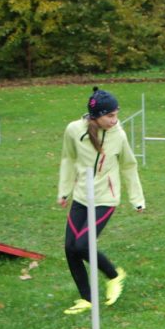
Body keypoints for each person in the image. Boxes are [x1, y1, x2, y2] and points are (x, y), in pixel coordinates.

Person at [57, 87, 145, 315]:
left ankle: (115, 276)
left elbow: (128, 165)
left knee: (84, 245)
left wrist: (137, 198)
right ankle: (87, 299)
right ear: (96, 115)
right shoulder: (74, 130)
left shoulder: (119, 135)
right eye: (110, 116)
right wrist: (64, 191)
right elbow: (68, 158)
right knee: (70, 248)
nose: (115, 120)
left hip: (106, 197)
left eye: (116, 114)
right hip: (81, 196)